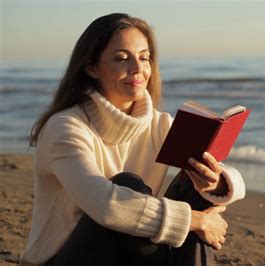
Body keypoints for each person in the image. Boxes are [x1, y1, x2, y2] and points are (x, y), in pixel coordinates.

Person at [21, 13, 245, 266]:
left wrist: (215, 183)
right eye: (122, 58)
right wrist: (198, 221)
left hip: (131, 252)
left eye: (144, 57)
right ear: (92, 67)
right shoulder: (66, 128)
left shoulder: (158, 124)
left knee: (196, 180)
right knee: (128, 185)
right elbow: (106, 205)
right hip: (67, 258)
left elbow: (231, 176)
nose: (138, 69)